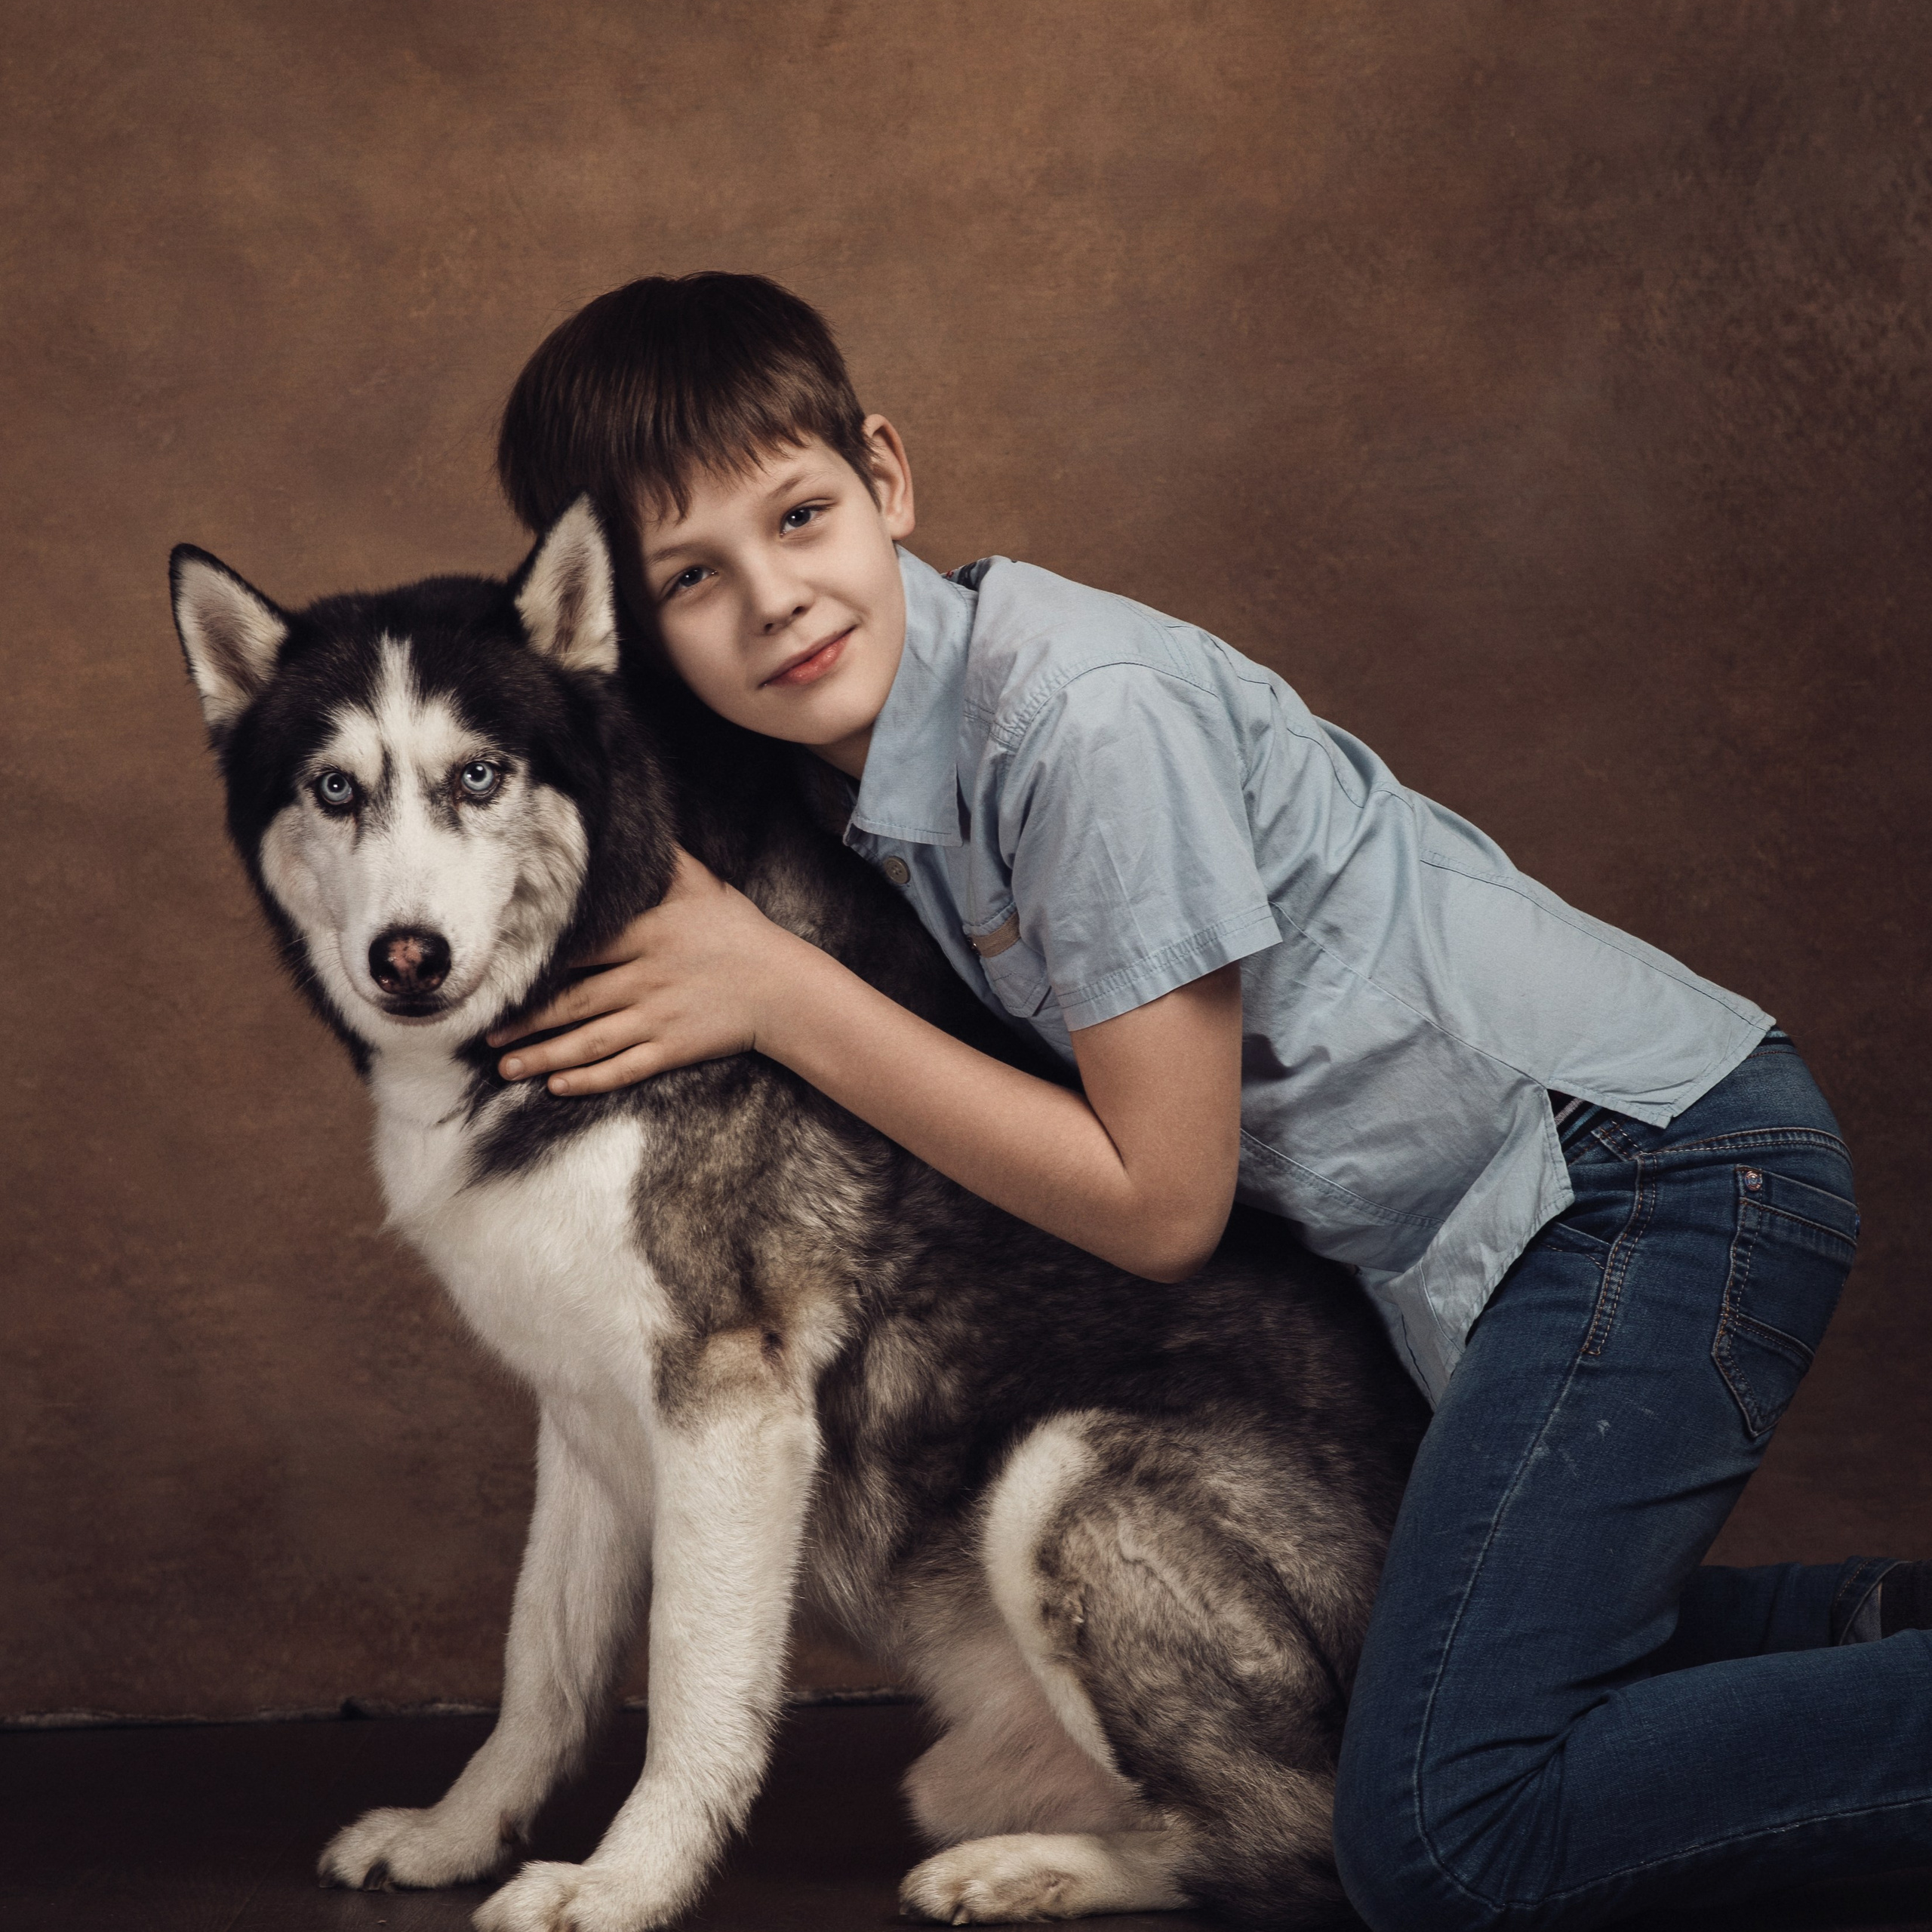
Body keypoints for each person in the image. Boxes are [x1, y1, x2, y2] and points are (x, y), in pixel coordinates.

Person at [486, 271, 1928, 1930]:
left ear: (884, 475)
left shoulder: (1077, 715)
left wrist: (775, 988)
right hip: (1499, 1222)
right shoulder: (868, 771)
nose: (773, 598)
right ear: (636, 626)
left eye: (799, 514)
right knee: (1461, 1654)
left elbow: (1161, 1203)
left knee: (1447, 1829)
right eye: (691, 577)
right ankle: (1873, 1620)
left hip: (1654, 1173)